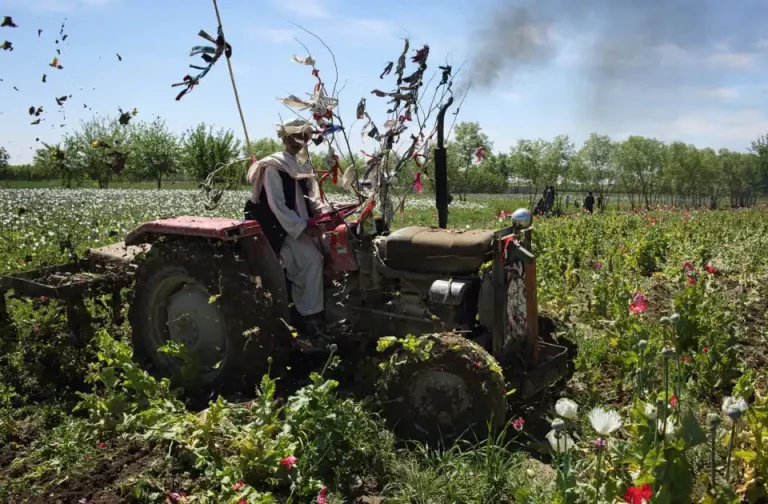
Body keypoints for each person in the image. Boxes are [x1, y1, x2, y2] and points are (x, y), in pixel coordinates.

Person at [244, 119, 330, 347]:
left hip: (303, 225)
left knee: (333, 248)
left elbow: (312, 198)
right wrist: (303, 227)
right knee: (312, 260)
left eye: (303, 136)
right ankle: (310, 317)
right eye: (293, 137)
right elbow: (278, 206)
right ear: (284, 139)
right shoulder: (274, 166)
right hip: (281, 230)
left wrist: (325, 213)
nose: (298, 141)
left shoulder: (303, 164)